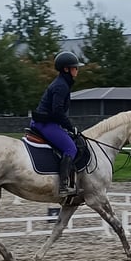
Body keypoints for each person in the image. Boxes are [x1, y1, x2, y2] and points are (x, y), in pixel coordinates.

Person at [30, 51, 84, 197]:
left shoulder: (63, 83)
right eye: (75, 67)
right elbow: (57, 112)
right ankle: (63, 186)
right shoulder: (61, 86)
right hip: (45, 123)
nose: (77, 70)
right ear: (66, 69)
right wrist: (71, 127)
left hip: (47, 121)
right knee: (70, 148)